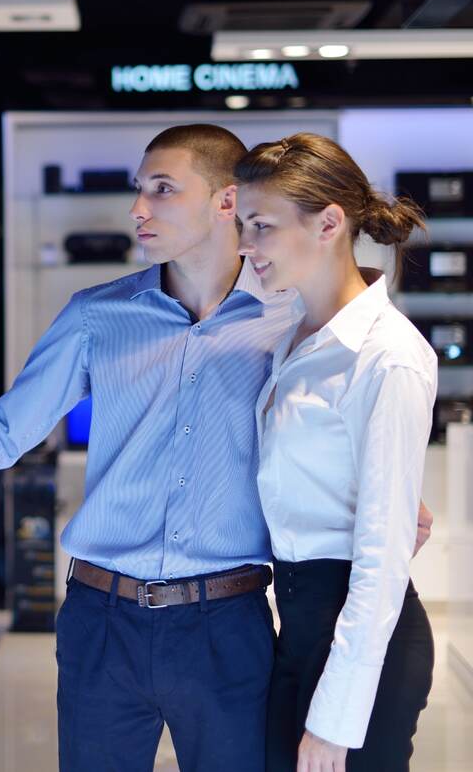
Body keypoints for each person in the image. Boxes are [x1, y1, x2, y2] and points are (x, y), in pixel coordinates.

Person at [0, 124, 430, 772]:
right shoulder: (95, 316)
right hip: (101, 623)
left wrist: (376, 503)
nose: (139, 208)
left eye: (162, 189)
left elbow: (332, 428)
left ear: (227, 203)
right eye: (140, 190)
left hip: (230, 625)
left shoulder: (293, 320)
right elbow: (1, 436)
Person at [235, 133, 436, 772]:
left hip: (358, 636)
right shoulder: (291, 334)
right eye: (242, 226)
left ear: (328, 223)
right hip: (296, 621)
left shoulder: (389, 355)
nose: (245, 246)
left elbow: (380, 559)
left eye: (260, 226)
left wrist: (334, 722)